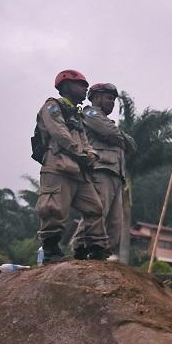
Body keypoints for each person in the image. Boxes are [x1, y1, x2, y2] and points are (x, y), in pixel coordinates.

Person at [33, 70, 109, 262]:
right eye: (81, 85)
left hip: (78, 169)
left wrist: (91, 155)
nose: (85, 88)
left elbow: (84, 139)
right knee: (53, 208)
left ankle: (94, 249)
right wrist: (83, 153)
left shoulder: (76, 114)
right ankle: (51, 251)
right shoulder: (53, 106)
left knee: (95, 208)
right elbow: (59, 133)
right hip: (58, 165)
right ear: (66, 86)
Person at [80, 83, 136, 263]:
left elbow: (131, 145)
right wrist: (119, 136)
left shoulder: (107, 121)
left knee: (115, 222)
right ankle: (80, 247)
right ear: (95, 97)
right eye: (108, 98)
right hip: (100, 169)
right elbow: (108, 132)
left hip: (116, 173)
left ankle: (102, 254)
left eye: (113, 99)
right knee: (97, 212)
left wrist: (118, 136)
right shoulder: (90, 113)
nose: (112, 102)